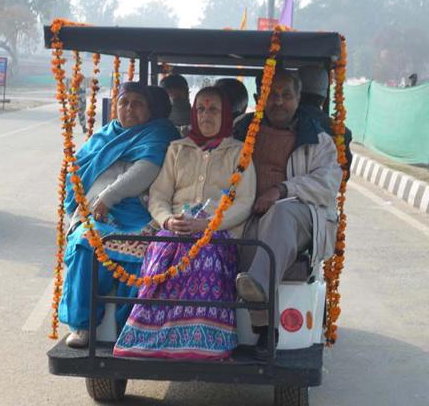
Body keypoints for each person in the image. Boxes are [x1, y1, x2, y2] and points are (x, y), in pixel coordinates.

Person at [113, 86, 256, 360]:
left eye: (213, 109)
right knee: (161, 255)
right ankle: (151, 339)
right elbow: (159, 196)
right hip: (175, 229)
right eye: (200, 109)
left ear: (225, 114)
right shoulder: (177, 149)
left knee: (203, 256)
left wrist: (207, 226)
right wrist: (167, 221)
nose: (206, 115)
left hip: (216, 233)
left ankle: (203, 342)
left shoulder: (240, 152)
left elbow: (244, 203)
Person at [59, 82, 180, 348]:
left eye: (137, 103)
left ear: (150, 110)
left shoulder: (159, 133)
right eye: (124, 102)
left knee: (146, 254)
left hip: (137, 212)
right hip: (96, 213)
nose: (129, 109)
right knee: (84, 244)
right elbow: (78, 171)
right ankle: (82, 326)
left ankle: (131, 328)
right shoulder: (104, 135)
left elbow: (146, 169)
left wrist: (108, 197)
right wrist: (88, 202)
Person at [234, 69, 342, 358]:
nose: (278, 102)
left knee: (279, 216)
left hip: (300, 214)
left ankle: (256, 287)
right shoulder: (242, 131)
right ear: (259, 98)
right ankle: (265, 331)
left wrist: (281, 190)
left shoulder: (317, 137)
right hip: (251, 213)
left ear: (298, 99)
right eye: (271, 95)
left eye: (286, 96)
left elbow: (328, 183)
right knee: (248, 238)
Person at [298, 65, 353, 178]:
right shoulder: (342, 133)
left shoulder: (281, 123)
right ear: (324, 98)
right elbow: (343, 175)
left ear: (296, 94)